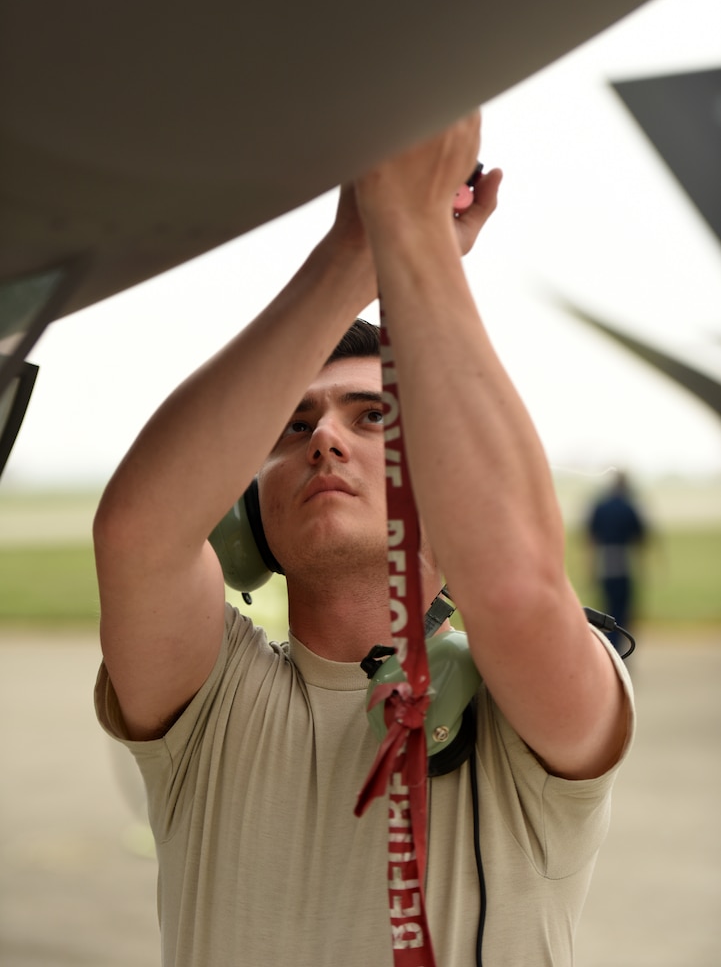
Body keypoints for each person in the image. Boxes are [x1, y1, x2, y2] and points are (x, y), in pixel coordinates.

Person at [93, 111, 634, 967]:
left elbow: (515, 588)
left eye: (371, 414)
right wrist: (356, 248)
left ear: (444, 483)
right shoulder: (210, 702)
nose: (324, 440)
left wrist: (415, 238)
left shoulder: (521, 709)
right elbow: (136, 534)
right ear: (242, 514)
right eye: (293, 424)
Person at [586, 470, 648, 650]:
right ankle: (620, 649)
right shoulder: (630, 506)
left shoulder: (600, 506)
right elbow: (640, 540)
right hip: (624, 562)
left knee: (605, 611)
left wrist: (590, 568)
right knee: (622, 612)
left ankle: (608, 649)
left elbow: (591, 539)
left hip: (605, 562)